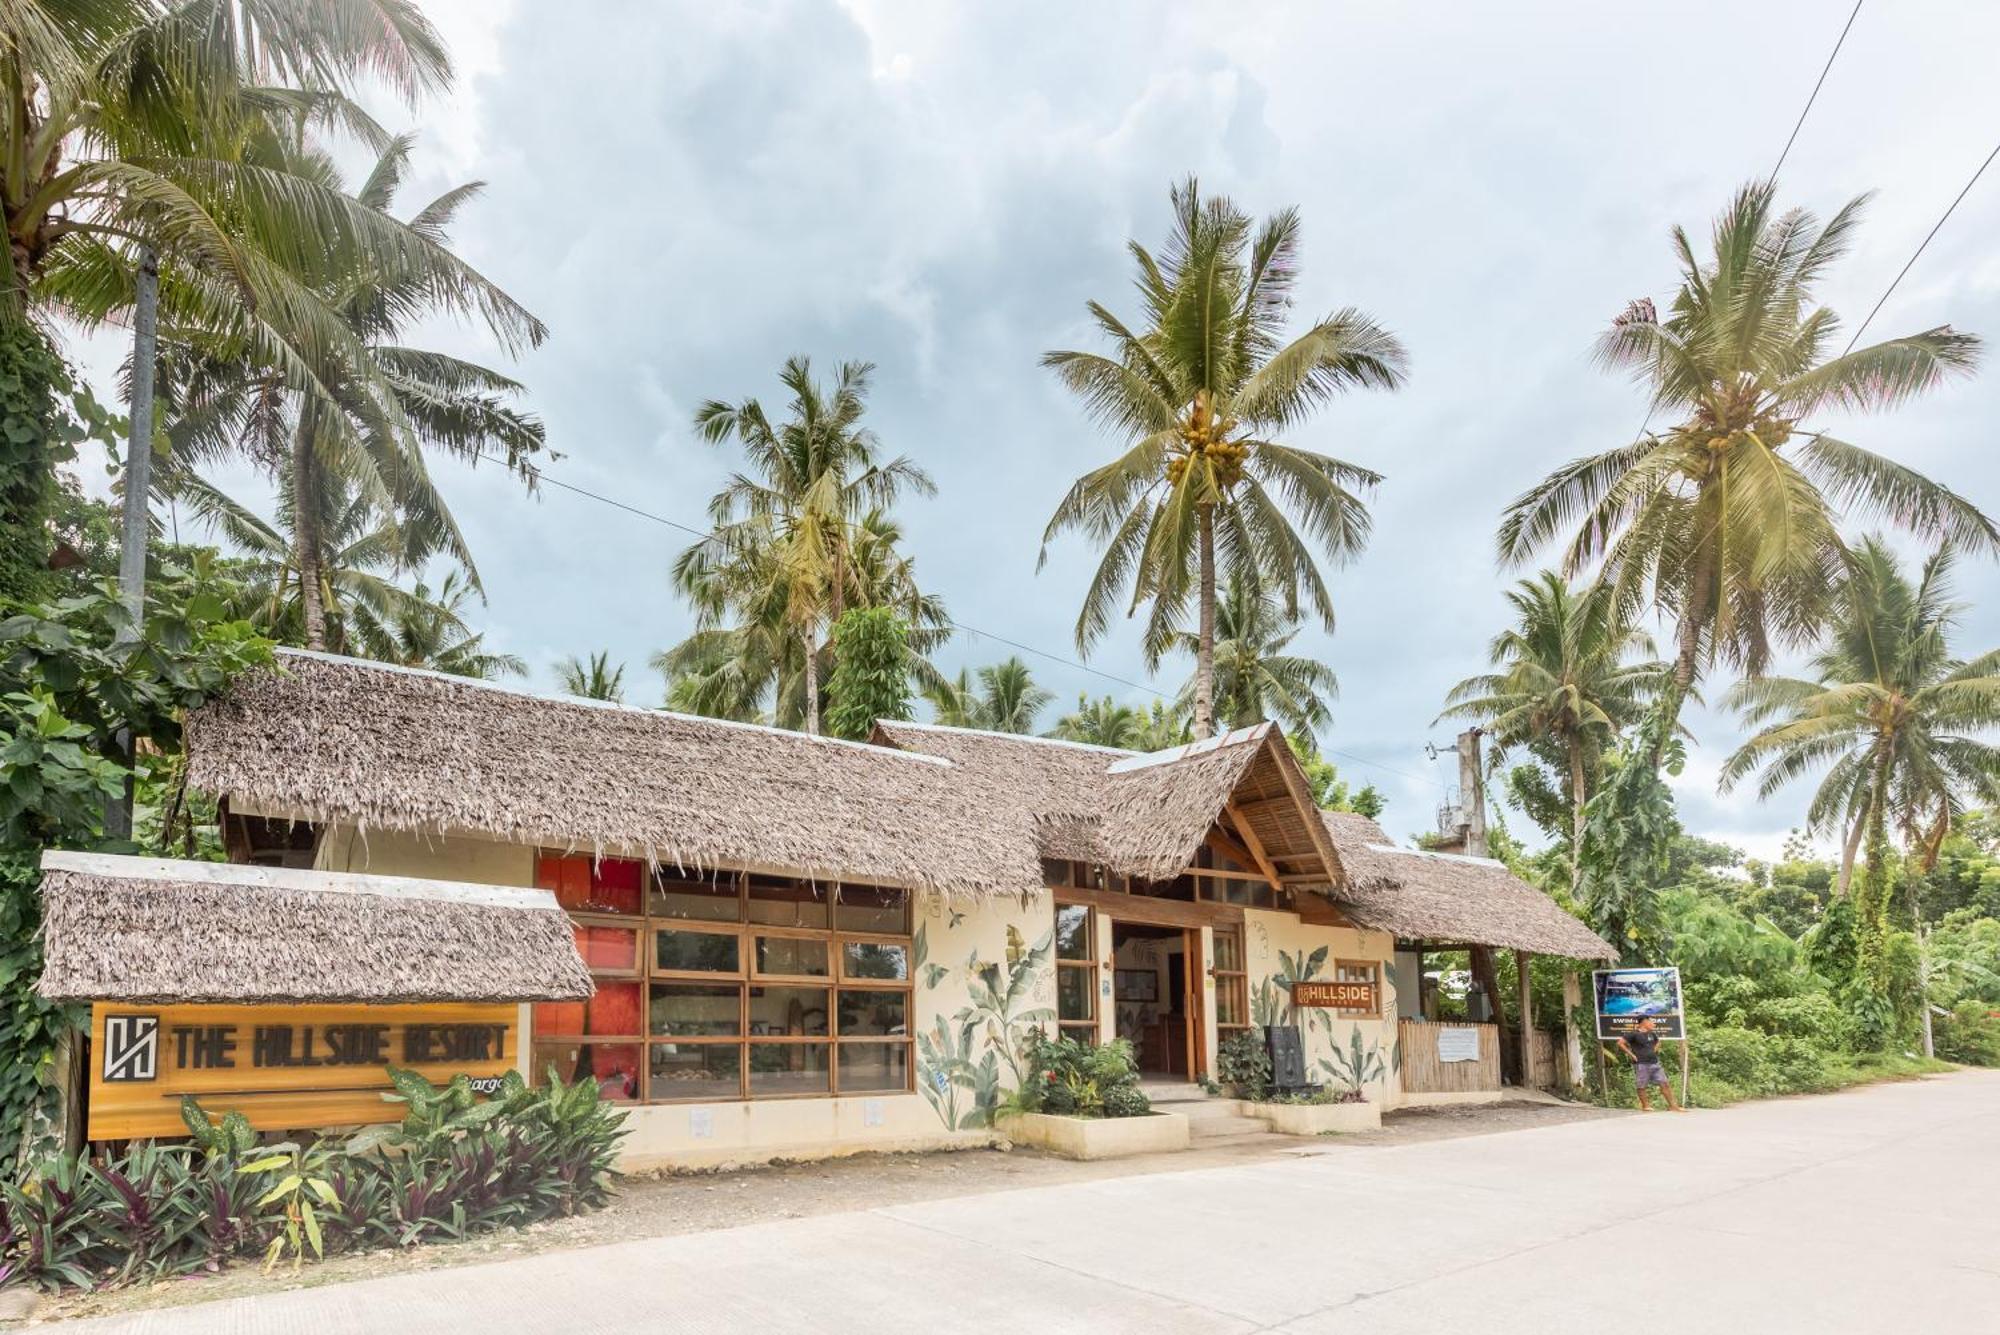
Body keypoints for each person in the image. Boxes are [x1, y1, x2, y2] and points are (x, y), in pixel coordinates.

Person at [1617, 1016, 1684, 1111]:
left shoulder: (1652, 1034)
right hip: (1641, 1063)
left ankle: (1673, 1106)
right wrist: (1631, 1055)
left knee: (1664, 1083)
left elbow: (1658, 1042)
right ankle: (1646, 1106)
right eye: (1651, 1022)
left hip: (1655, 1062)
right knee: (1641, 1085)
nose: (1653, 1024)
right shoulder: (1633, 1034)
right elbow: (1620, 1043)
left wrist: (1653, 1051)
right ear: (1644, 1022)